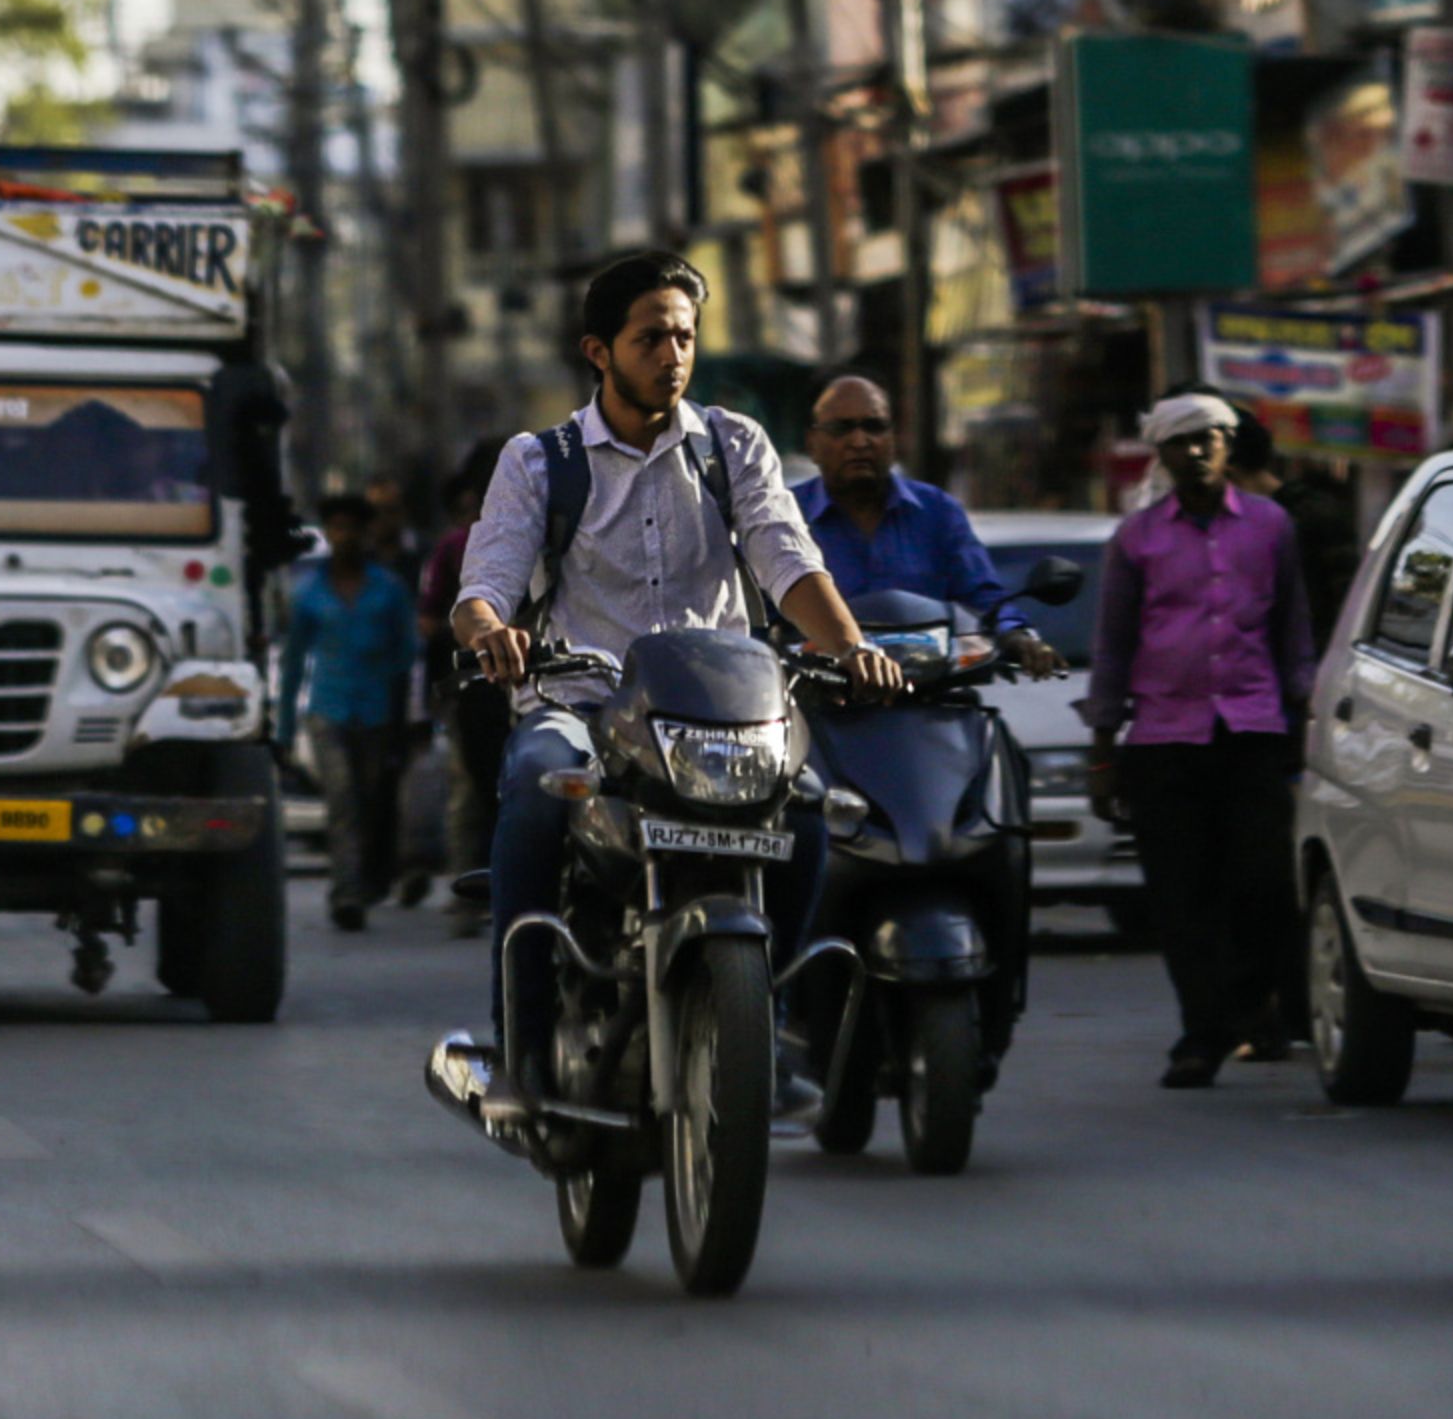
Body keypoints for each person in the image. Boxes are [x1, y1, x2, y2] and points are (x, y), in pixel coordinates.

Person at [441, 252, 907, 1112]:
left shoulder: (734, 446)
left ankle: (764, 1026)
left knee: (808, 809)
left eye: (685, 336)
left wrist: (849, 648)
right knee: (539, 790)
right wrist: (492, 633)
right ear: (598, 350)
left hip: (717, 717)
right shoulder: (538, 461)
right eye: (650, 337)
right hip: (583, 707)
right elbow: (485, 584)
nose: (673, 354)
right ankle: (523, 1039)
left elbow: (785, 557)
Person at [1080, 392, 1320, 1088]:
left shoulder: (1271, 527)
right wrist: (1104, 748)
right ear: (1161, 454)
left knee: (1262, 883)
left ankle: (1253, 1005)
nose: (1195, 452)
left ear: (1228, 443)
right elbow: (1114, 642)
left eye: (1208, 439)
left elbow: (1292, 630)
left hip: (1251, 730)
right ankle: (1201, 1033)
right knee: (1182, 896)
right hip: (1162, 739)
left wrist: (1302, 717)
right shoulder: (1138, 538)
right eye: (1180, 442)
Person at [790, 376, 1061, 672]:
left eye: (874, 427)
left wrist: (1017, 636)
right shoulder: (784, 516)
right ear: (812, 443)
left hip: (932, 696)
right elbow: (757, 619)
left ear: (895, 438)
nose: (859, 441)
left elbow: (984, 597)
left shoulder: (937, 512)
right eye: (841, 429)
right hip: (824, 700)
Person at [284, 490, 421, 930]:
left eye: (352, 528)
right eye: (336, 527)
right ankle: (346, 893)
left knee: (371, 800)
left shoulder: (389, 590)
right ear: (327, 533)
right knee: (341, 800)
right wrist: (284, 728)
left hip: (378, 713)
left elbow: (407, 656)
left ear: (364, 533)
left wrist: (410, 717)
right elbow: (291, 664)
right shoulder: (308, 592)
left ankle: (372, 877)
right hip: (328, 711)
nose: (344, 537)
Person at [419, 439, 509, 937]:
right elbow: (434, 619)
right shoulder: (459, 546)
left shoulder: (550, 535)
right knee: (474, 789)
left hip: (535, 682)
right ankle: (472, 890)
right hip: (477, 684)